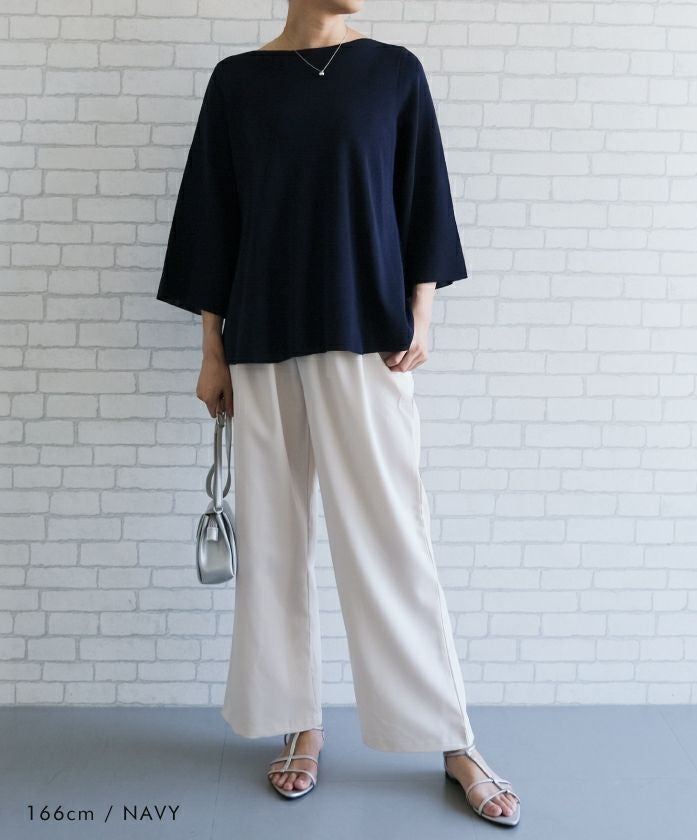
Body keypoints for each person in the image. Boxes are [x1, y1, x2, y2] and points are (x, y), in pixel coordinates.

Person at [156, 0, 520, 827]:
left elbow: (421, 196)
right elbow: (213, 219)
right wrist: (211, 350)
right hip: (261, 339)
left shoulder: (393, 73)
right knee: (274, 544)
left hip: (370, 340)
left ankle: (452, 737)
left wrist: (422, 313)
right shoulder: (238, 83)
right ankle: (299, 724)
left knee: (394, 539)